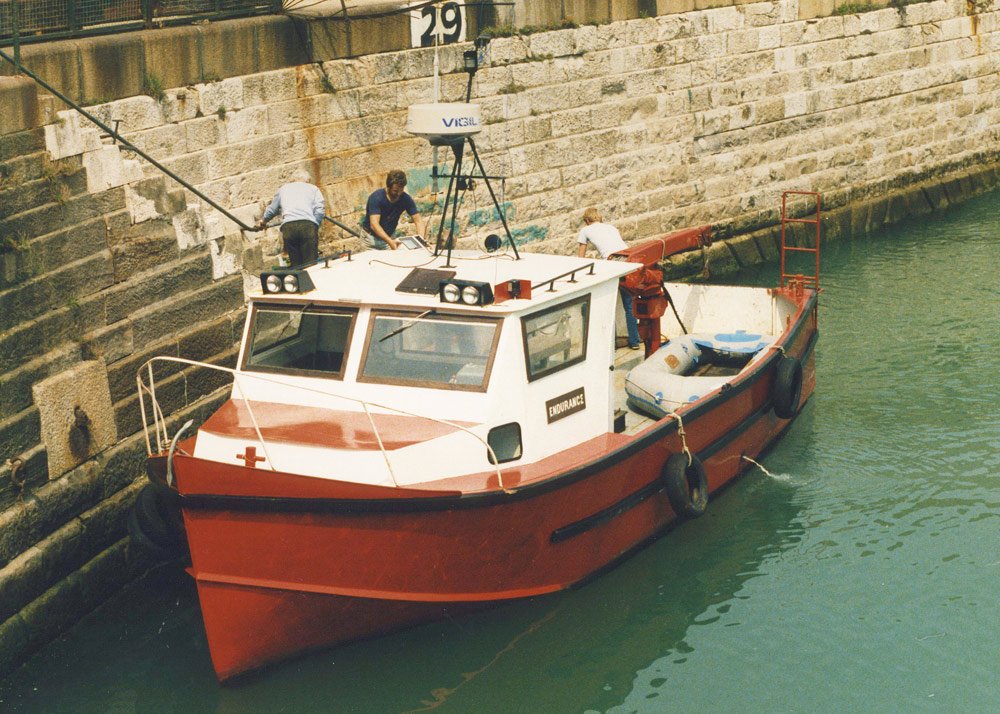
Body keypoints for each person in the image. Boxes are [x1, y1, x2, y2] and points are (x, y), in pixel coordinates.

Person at [577, 207, 642, 350]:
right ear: (599, 217)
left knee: (608, 302)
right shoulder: (611, 228)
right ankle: (635, 341)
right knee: (629, 302)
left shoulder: (585, 230)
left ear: (587, 220)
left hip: (613, 263)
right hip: (629, 259)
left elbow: (580, 258)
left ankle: (610, 344)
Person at [256, 169, 325, 267]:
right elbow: (320, 210)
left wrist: (263, 221)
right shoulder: (313, 189)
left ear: (292, 179)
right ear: (307, 180)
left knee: (296, 264)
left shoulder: (283, 189)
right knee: (311, 264)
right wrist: (315, 225)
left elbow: (272, 209)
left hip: (288, 227)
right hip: (307, 225)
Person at [361, 169, 426, 250]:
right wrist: (390, 241)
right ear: (388, 187)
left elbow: (418, 220)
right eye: (395, 191)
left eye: (401, 190)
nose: (399, 193)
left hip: (389, 237)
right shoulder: (376, 198)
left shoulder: (405, 198)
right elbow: (374, 225)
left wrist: (421, 240)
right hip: (371, 240)